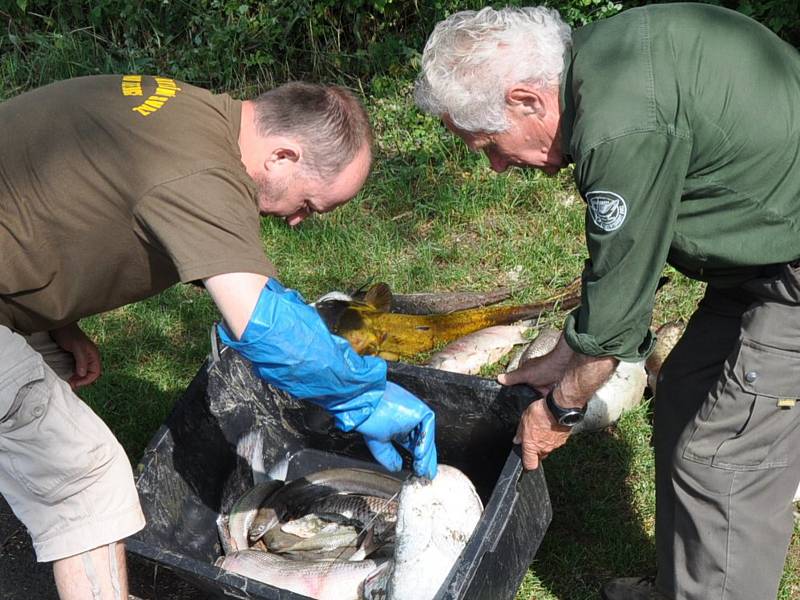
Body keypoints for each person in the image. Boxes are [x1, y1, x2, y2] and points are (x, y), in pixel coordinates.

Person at [414, 4, 800, 600]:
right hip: (760, 252)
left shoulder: (620, 127)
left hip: (791, 268)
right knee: (683, 401)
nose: (493, 166)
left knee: (719, 461)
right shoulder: (601, 62)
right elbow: (620, 267)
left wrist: (559, 410)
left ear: (526, 101)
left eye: (487, 144)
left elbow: (619, 321)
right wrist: (561, 355)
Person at [0, 75, 437, 600]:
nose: (298, 222)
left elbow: (41, 198)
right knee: (87, 477)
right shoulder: (202, 171)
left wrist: (54, 319)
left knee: (36, 404)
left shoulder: (195, 116)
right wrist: (360, 395)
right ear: (283, 155)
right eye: (309, 205)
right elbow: (260, 321)